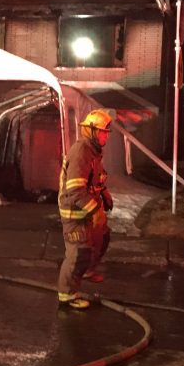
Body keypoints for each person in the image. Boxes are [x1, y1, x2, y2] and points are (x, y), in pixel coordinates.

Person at [56, 109, 113, 310]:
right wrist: (95, 211)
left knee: (102, 237)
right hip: (75, 212)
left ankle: (87, 270)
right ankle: (67, 295)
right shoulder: (82, 151)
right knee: (78, 253)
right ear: (91, 131)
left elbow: (96, 179)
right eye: (103, 131)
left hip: (87, 210)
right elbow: (75, 189)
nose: (106, 135)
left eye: (107, 132)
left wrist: (104, 194)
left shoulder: (94, 151)